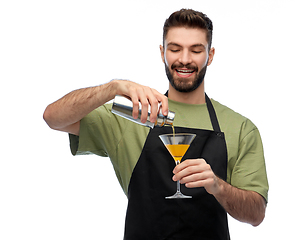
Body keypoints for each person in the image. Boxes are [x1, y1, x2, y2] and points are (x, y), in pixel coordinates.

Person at [43, 8, 269, 239]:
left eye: (196, 50)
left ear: (210, 56)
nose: (184, 59)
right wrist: (113, 88)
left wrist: (217, 186)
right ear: (163, 52)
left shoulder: (240, 128)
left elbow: (256, 214)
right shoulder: (132, 117)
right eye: (175, 49)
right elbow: (53, 117)